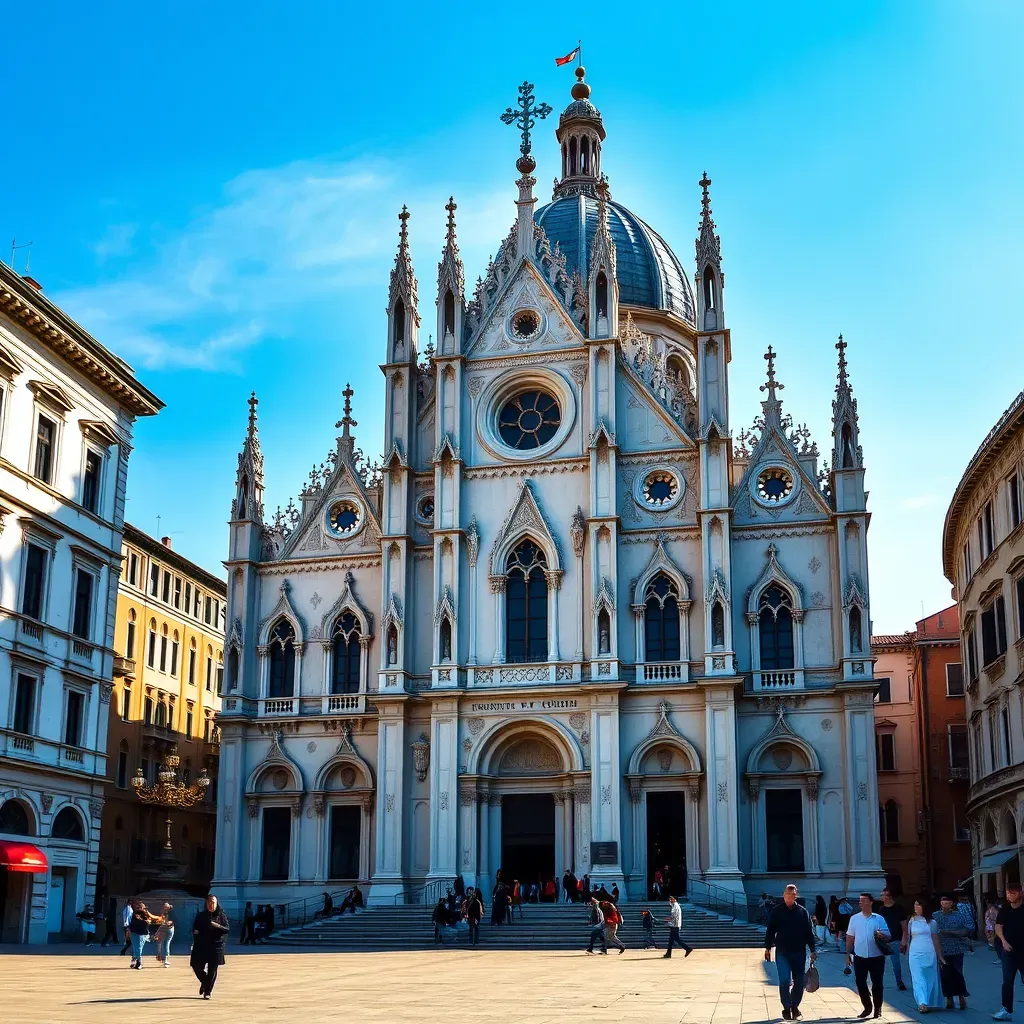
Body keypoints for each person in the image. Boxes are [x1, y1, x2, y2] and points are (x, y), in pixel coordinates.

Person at [764, 884, 816, 1020]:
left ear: (796, 895)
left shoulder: (802, 912)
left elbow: (809, 932)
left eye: (793, 894)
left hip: (799, 951)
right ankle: (786, 1007)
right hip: (782, 951)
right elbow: (770, 930)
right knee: (784, 980)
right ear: (784, 894)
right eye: (788, 894)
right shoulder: (777, 911)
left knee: (799, 982)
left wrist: (813, 950)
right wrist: (767, 947)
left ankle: (795, 1005)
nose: (791, 896)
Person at [845, 892, 891, 1019]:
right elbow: (850, 937)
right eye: (860, 901)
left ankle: (877, 1008)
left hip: (877, 956)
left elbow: (888, 935)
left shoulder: (878, 919)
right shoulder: (854, 918)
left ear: (871, 902)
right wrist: (847, 954)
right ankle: (867, 1007)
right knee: (860, 982)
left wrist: (881, 935)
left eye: (864, 900)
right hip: (860, 956)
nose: (861, 903)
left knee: (877, 983)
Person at [903, 898, 943, 1013]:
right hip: (915, 952)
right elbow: (909, 937)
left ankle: (928, 1000)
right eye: (915, 905)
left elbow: (935, 939)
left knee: (929, 977)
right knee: (917, 978)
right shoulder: (911, 921)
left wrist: (939, 955)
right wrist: (907, 949)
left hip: (929, 951)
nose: (916, 907)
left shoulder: (932, 922)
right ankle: (922, 1002)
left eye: (918, 905)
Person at [993, 880, 1024, 1021]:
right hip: (1009, 951)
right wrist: (1004, 942)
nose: (1010, 895)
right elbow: (998, 926)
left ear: (1020, 894)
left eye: (1013, 893)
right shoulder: (1005, 909)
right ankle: (1006, 1010)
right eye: (1008, 893)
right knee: (1007, 981)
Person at [934, 892, 971, 1010]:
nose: (945, 905)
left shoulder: (959, 916)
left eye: (947, 903)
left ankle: (961, 996)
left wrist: (951, 932)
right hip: (942, 949)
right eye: (943, 903)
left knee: (958, 973)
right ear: (940, 903)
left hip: (957, 948)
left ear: (951, 904)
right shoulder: (935, 916)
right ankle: (949, 999)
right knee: (945, 975)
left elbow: (966, 930)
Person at [190, 894, 229, 999]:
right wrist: (195, 931)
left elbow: (227, 929)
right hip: (201, 945)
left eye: (213, 902)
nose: (211, 905)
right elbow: (194, 928)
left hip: (216, 945)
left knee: (212, 969)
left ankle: (207, 991)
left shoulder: (221, 915)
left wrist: (218, 926)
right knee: (196, 966)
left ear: (216, 904)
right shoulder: (201, 915)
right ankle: (205, 982)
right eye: (209, 902)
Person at [878, 888, 909, 991]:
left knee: (896, 963)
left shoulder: (899, 908)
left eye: (883, 895)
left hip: (895, 939)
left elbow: (904, 926)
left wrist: (904, 940)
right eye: (881, 895)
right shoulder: (881, 909)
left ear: (889, 896)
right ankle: (877, 982)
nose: (882, 897)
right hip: (883, 939)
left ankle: (899, 981)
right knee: (879, 962)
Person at [128, 901, 163, 969]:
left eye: (142, 907)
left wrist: (149, 920)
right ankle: (138, 962)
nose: (141, 908)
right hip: (135, 933)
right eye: (140, 907)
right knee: (137, 948)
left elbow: (150, 920)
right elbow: (134, 922)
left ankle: (135, 960)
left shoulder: (145, 914)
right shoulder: (135, 914)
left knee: (138, 948)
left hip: (143, 934)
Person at [663, 895, 693, 959]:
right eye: (670, 899)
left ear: (675, 900)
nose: (670, 900)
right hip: (675, 925)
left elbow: (674, 916)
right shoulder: (675, 906)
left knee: (677, 939)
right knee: (671, 940)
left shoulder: (675, 906)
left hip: (675, 926)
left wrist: (669, 920)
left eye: (671, 899)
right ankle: (668, 954)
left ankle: (688, 949)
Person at [154, 902, 175, 967]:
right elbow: (163, 922)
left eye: (165, 907)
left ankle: (165, 959)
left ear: (168, 907)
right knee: (162, 943)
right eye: (163, 907)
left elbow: (171, 922)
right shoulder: (165, 913)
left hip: (168, 929)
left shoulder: (170, 913)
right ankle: (163, 958)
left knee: (166, 943)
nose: (163, 908)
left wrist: (167, 923)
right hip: (165, 929)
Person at [986, 896, 1002, 965]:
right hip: (994, 929)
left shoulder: (992, 910)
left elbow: (989, 921)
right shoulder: (994, 910)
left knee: (997, 945)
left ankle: (1001, 958)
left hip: (994, 929)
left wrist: (989, 929)